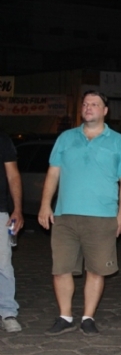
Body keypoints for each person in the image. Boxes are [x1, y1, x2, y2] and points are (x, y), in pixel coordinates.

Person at [38, 90, 121, 336]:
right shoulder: (66, 138)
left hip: (102, 217)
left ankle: (88, 317)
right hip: (65, 215)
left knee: (96, 269)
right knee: (61, 268)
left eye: (95, 104)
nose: (88, 107)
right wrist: (45, 204)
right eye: (85, 103)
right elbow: (53, 173)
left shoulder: (117, 141)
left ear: (105, 111)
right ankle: (65, 315)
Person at [0, 132, 23, 333]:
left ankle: (7, 311)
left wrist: (17, 209)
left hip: (0, 211)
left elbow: (13, 174)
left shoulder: (3, 139)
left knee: (3, 264)